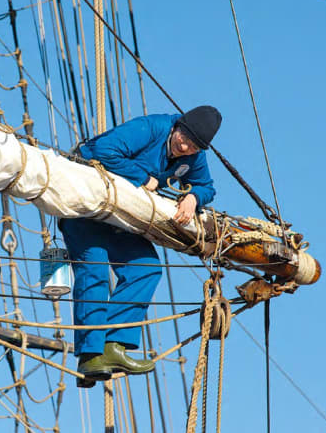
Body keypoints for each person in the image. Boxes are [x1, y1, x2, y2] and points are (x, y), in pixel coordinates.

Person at [59, 106, 222, 387]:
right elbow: (102, 149)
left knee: (146, 268)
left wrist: (194, 196)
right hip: (88, 206)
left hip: (123, 218)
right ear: (178, 126)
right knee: (95, 269)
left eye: (194, 146)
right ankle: (90, 355)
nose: (185, 148)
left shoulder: (194, 154)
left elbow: (206, 185)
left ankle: (114, 346)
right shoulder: (151, 127)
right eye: (185, 139)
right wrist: (143, 178)